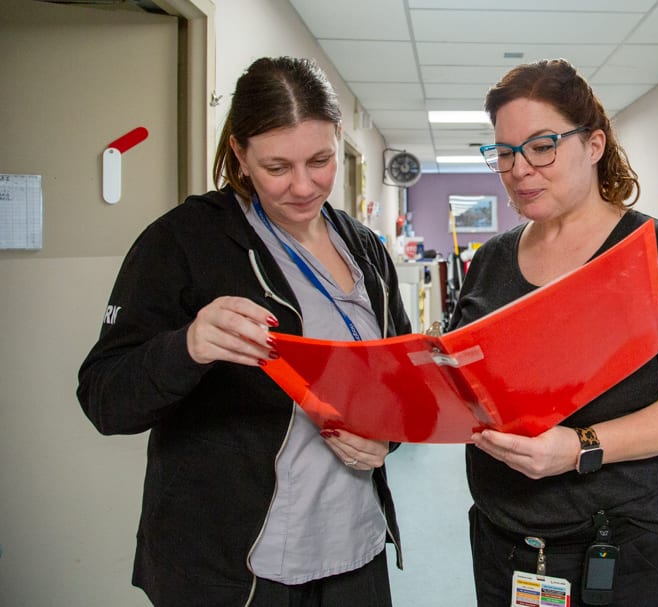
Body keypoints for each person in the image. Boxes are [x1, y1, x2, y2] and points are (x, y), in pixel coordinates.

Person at [77, 57, 410, 607]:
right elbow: (103, 397)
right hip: (234, 568)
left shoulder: (364, 247)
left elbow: (395, 381)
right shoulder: (183, 242)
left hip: (354, 550)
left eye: (321, 160)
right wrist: (186, 347)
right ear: (239, 153)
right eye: (278, 166)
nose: (304, 186)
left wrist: (386, 437)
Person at [448, 58, 658, 606]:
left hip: (629, 543)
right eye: (504, 153)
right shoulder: (490, 262)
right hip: (508, 541)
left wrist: (579, 448)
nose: (520, 169)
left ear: (594, 144)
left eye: (542, 145)